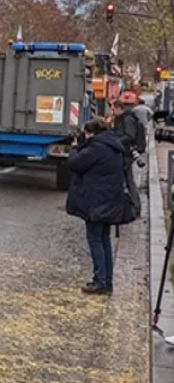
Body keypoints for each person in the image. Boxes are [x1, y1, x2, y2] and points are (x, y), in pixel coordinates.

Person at [66, 117, 131, 295]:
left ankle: (99, 281)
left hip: (97, 202)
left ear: (92, 133)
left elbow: (76, 164)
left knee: (95, 239)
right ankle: (107, 280)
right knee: (104, 240)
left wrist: (73, 149)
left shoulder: (96, 148)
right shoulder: (113, 146)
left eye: (87, 133)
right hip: (110, 201)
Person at [111, 94, 145, 214]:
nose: (112, 111)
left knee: (128, 180)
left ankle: (135, 206)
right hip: (123, 152)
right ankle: (132, 206)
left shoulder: (127, 119)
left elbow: (130, 136)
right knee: (126, 180)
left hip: (126, 153)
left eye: (113, 109)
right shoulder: (121, 119)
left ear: (119, 108)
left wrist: (116, 141)